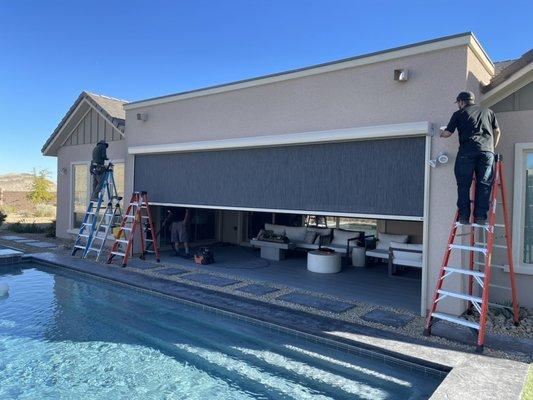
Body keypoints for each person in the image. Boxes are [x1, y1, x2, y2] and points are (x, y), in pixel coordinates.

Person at [440, 91, 501, 225]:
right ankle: (480, 217)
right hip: (487, 153)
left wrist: (440, 133)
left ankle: (464, 217)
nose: (458, 105)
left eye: (458, 103)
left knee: (463, 185)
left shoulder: (459, 114)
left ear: (462, 102)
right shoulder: (489, 112)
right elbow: (497, 131)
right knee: (484, 185)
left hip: (466, 153)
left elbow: (447, 133)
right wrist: (492, 148)